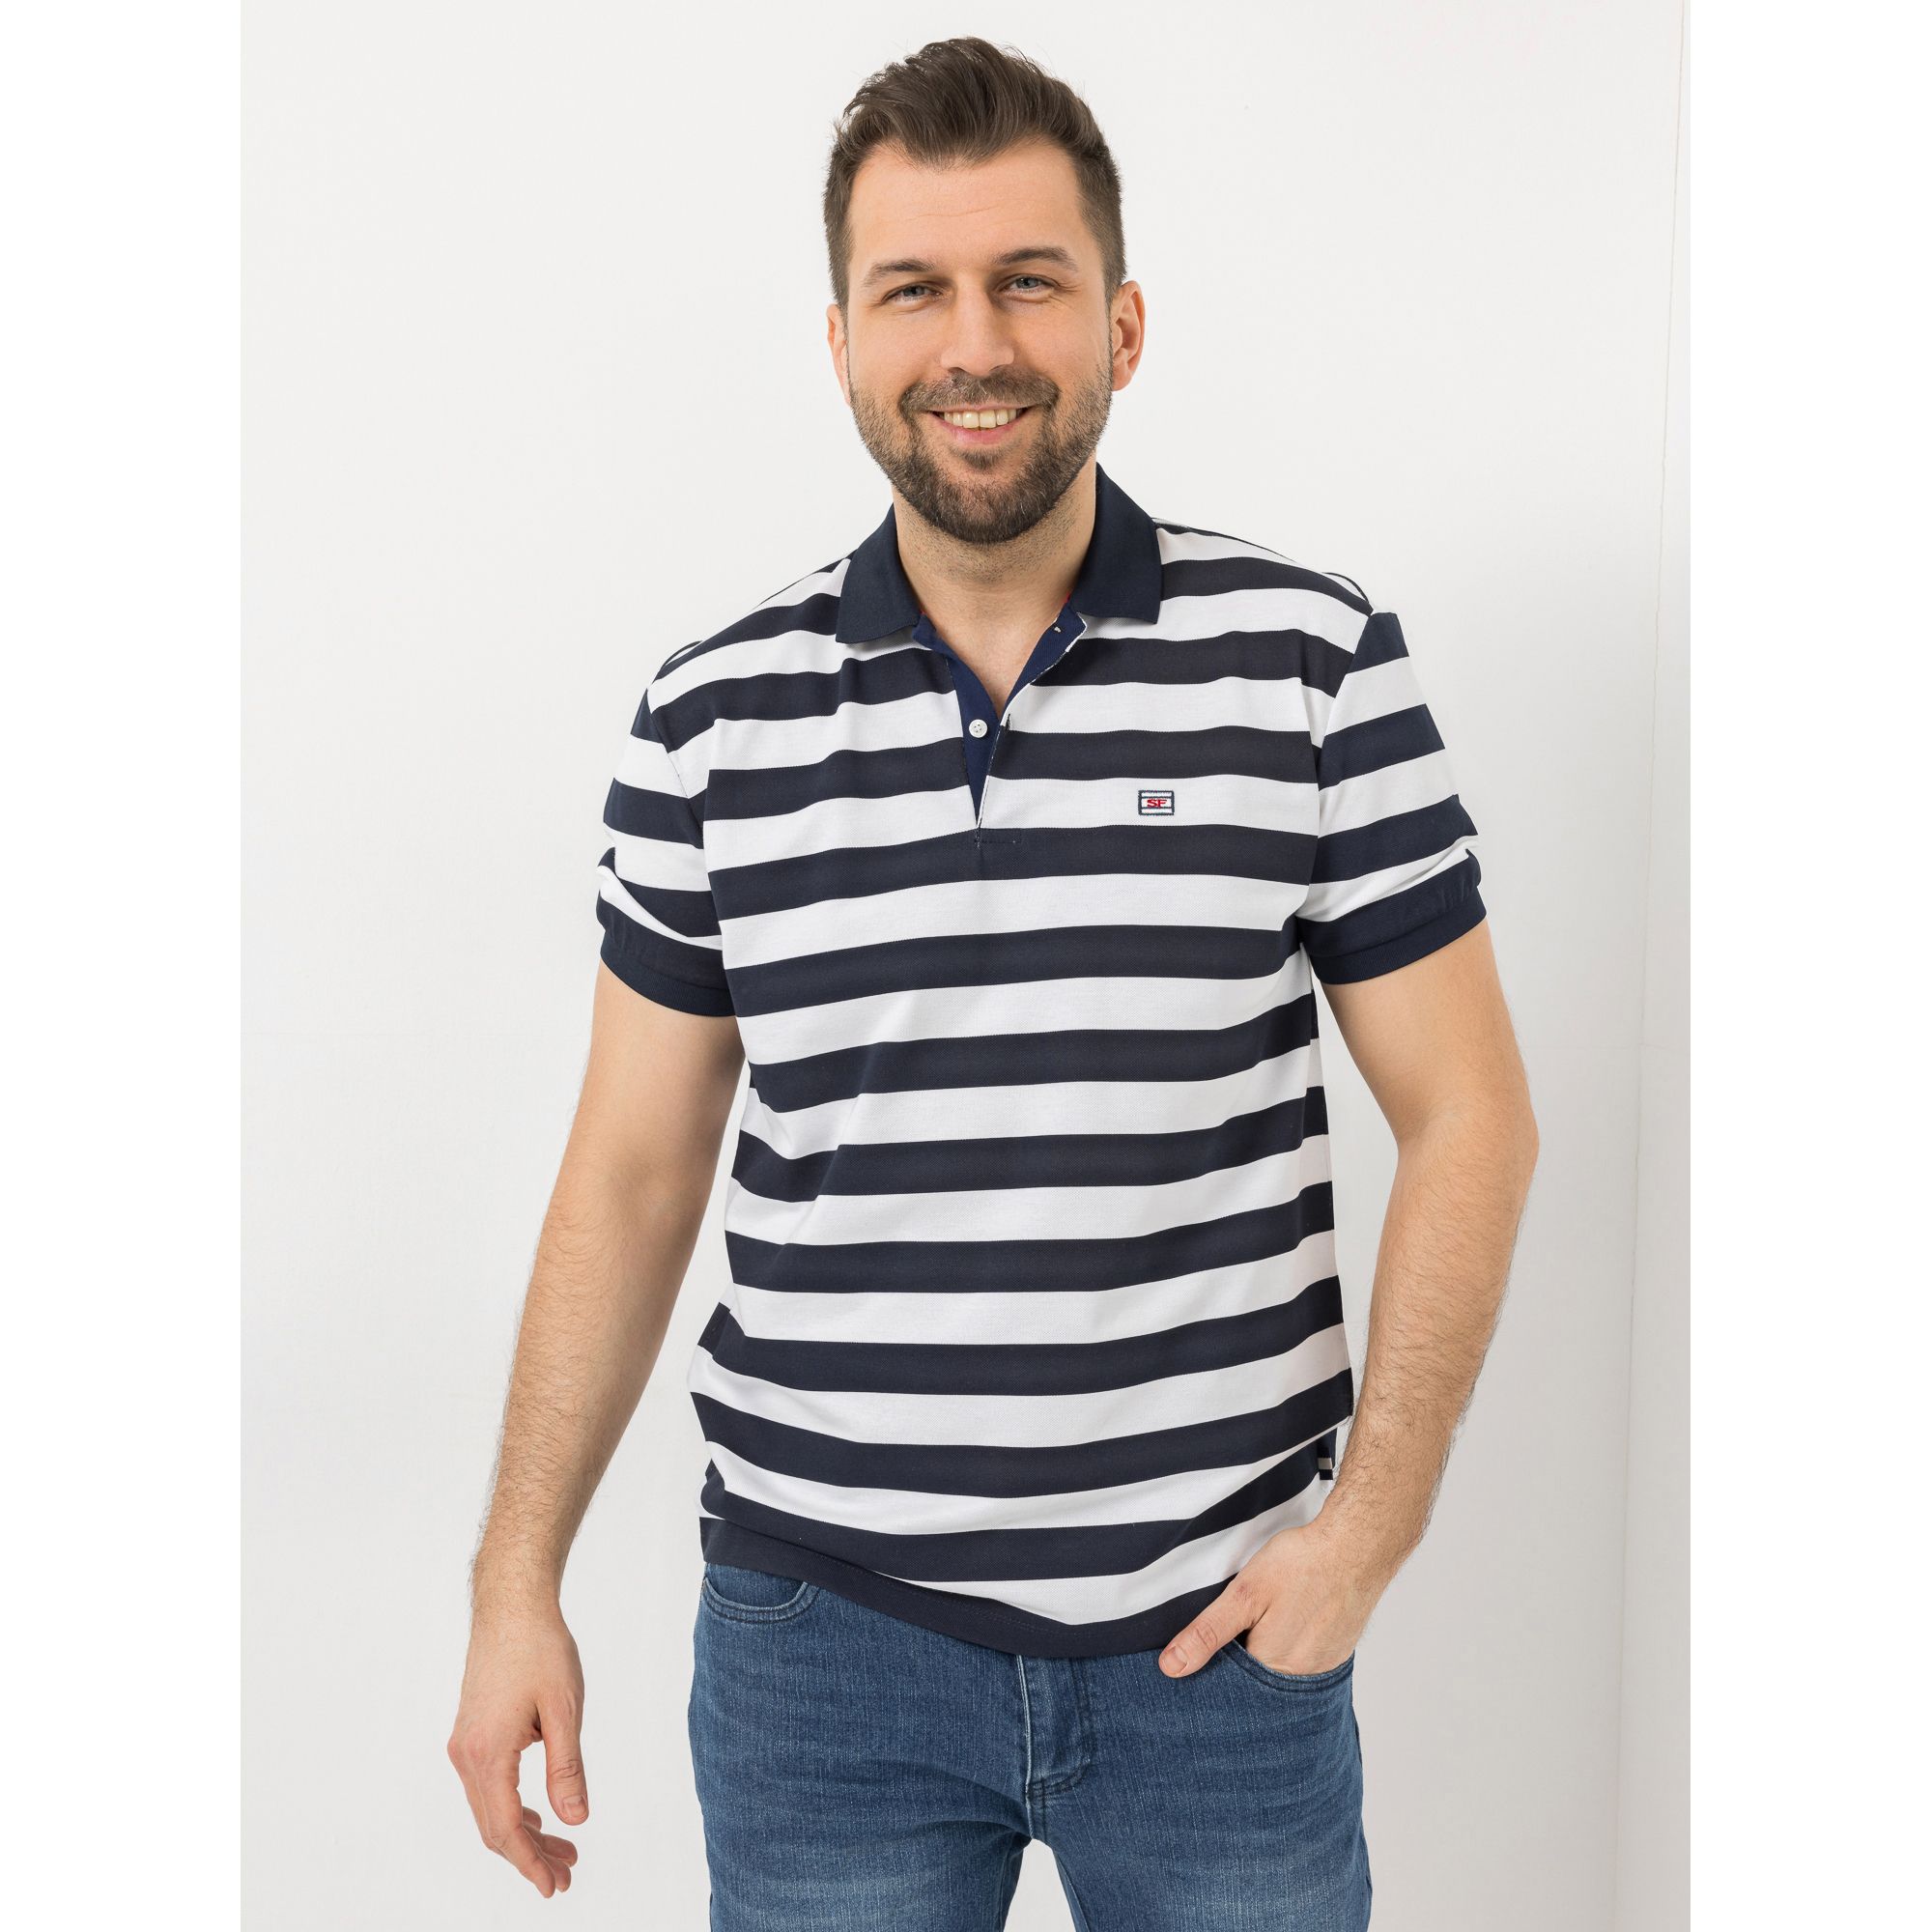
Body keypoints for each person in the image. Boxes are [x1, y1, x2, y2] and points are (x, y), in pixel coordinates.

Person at [447, 34, 1539, 1929]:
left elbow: (1472, 1115)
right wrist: (512, 1581)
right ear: (842, 340)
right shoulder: (712, 718)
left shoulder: (1310, 662)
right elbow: (628, 1171)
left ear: (1121, 322)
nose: (974, 343)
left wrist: (1364, 1534)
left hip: (1221, 1645)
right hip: (824, 1656)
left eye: (1027, 281)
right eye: (914, 290)